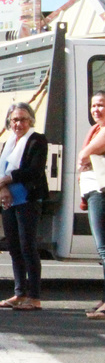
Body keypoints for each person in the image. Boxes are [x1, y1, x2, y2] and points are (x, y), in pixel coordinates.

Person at [0, 102, 48, 311]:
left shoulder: (37, 140)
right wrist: (3, 189)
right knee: (14, 247)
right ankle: (19, 293)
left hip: (28, 200)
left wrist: (6, 180)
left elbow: (34, 170)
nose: (19, 123)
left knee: (28, 247)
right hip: (9, 201)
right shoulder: (8, 143)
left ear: (31, 120)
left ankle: (34, 297)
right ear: (9, 122)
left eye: (23, 119)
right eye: (15, 119)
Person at [79, 91, 105, 319]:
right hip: (94, 190)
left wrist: (84, 155)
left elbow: (85, 154)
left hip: (102, 191)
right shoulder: (97, 130)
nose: (96, 109)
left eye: (101, 105)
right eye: (93, 105)